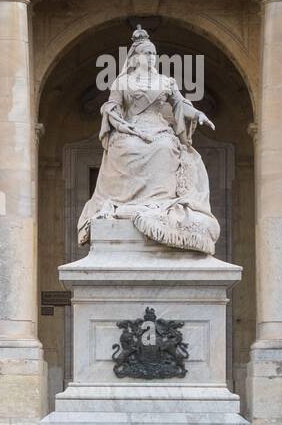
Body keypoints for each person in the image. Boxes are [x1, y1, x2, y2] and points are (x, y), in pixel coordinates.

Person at [78, 25, 220, 255]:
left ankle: (160, 204)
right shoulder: (122, 83)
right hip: (131, 130)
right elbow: (113, 107)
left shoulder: (166, 82)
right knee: (124, 147)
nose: (151, 58)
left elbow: (179, 104)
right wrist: (112, 115)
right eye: (146, 54)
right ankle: (127, 204)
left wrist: (198, 114)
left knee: (165, 148)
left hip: (159, 128)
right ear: (135, 58)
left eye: (153, 54)